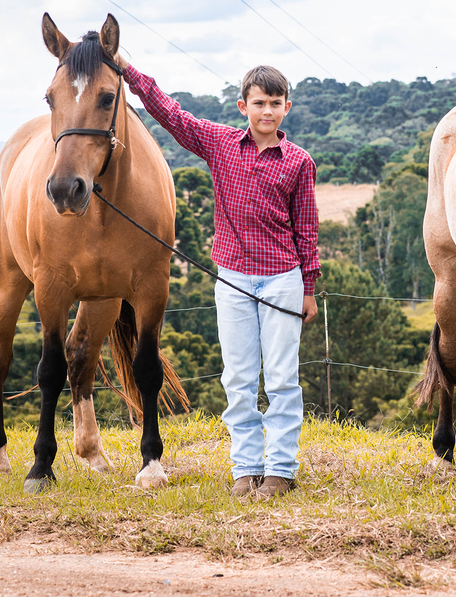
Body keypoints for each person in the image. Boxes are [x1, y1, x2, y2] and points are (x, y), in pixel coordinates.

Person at [121, 60, 320, 499]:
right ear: (242, 105)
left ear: (287, 107)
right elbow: (171, 113)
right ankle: (245, 469)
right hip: (231, 281)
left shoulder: (299, 163)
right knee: (239, 379)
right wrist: (128, 72)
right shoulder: (220, 144)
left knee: (283, 379)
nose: (266, 111)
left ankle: (280, 470)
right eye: (258, 103)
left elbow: (307, 229)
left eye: (274, 103)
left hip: (282, 282)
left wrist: (308, 289)